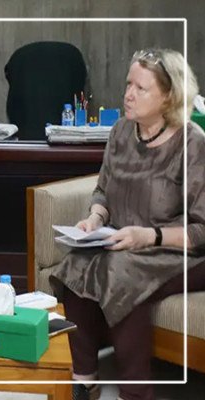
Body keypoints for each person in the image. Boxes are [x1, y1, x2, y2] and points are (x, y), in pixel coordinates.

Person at [49, 48, 205, 400]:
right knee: (76, 263)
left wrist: (147, 236)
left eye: (141, 88)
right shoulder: (120, 131)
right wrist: (95, 217)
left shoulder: (192, 142)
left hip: (180, 250)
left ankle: (135, 393)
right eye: (127, 84)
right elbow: (103, 190)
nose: (128, 95)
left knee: (121, 271)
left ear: (169, 96)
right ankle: (83, 379)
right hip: (125, 241)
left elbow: (201, 229)